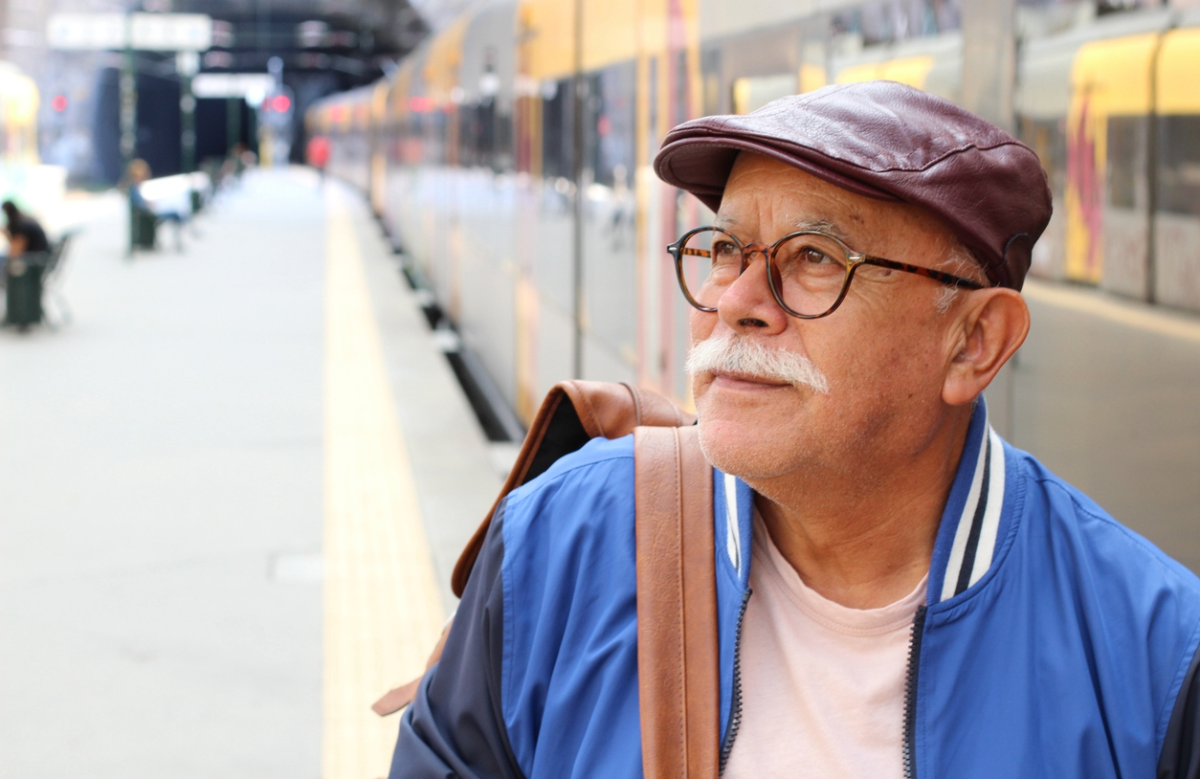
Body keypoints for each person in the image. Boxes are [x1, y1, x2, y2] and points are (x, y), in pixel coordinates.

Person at [389, 82, 1200, 778]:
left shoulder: (1158, 660)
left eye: (815, 257)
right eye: (725, 248)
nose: (737, 299)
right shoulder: (553, 545)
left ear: (973, 342)